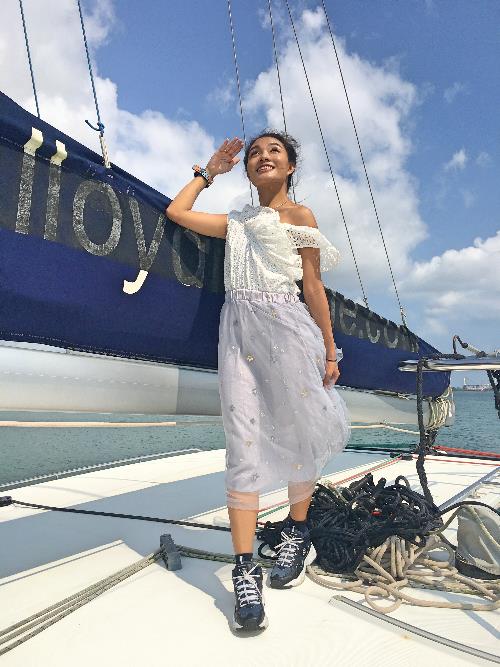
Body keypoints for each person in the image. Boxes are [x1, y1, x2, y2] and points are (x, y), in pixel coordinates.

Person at [166, 131, 350, 632]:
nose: (262, 157)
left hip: (288, 330)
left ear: (290, 167)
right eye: (254, 153)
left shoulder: (301, 217)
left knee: (299, 431)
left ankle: (296, 529)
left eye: (274, 152)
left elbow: (313, 286)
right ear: (247, 169)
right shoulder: (236, 222)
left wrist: (330, 348)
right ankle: (245, 568)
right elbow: (177, 212)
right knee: (242, 442)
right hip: (238, 334)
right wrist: (209, 171)